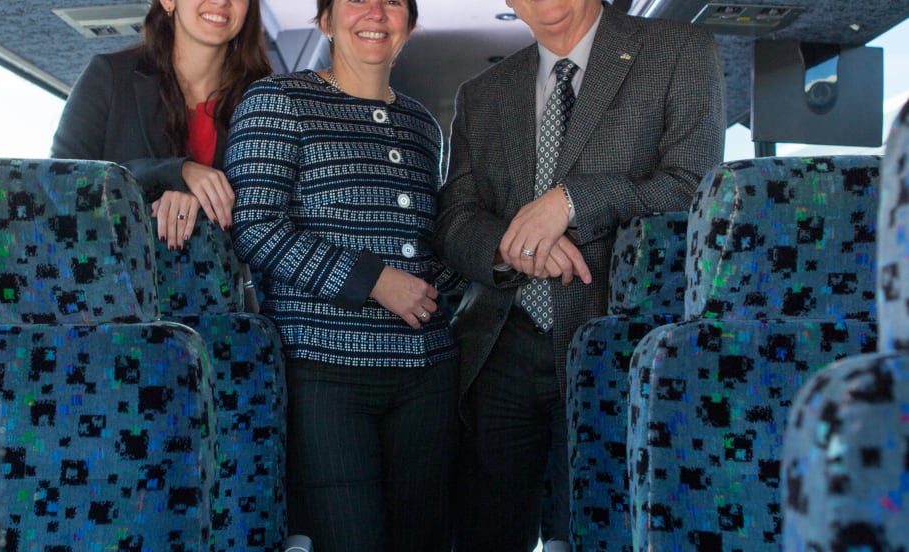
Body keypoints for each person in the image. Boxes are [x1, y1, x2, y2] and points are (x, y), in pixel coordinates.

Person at [433, 1, 726, 550]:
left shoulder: (679, 51)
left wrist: (570, 202)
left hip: (624, 344)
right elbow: (455, 219)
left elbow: (695, 188)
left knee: (603, 531)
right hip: (501, 348)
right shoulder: (482, 93)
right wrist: (516, 251)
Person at [225, 0, 462, 551]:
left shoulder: (423, 125)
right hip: (325, 375)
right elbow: (255, 226)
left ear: (409, 25)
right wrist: (375, 281)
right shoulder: (277, 100)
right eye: (355, 0)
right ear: (326, 20)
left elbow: (431, 239)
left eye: (392, 2)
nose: (374, 12)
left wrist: (456, 278)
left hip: (428, 374)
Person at [51, 0, 272, 252]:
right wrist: (174, 174)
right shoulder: (110, 75)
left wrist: (202, 199)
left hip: (224, 273)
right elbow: (60, 184)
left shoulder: (266, 103)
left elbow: (272, 211)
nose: (221, 1)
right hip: (118, 266)